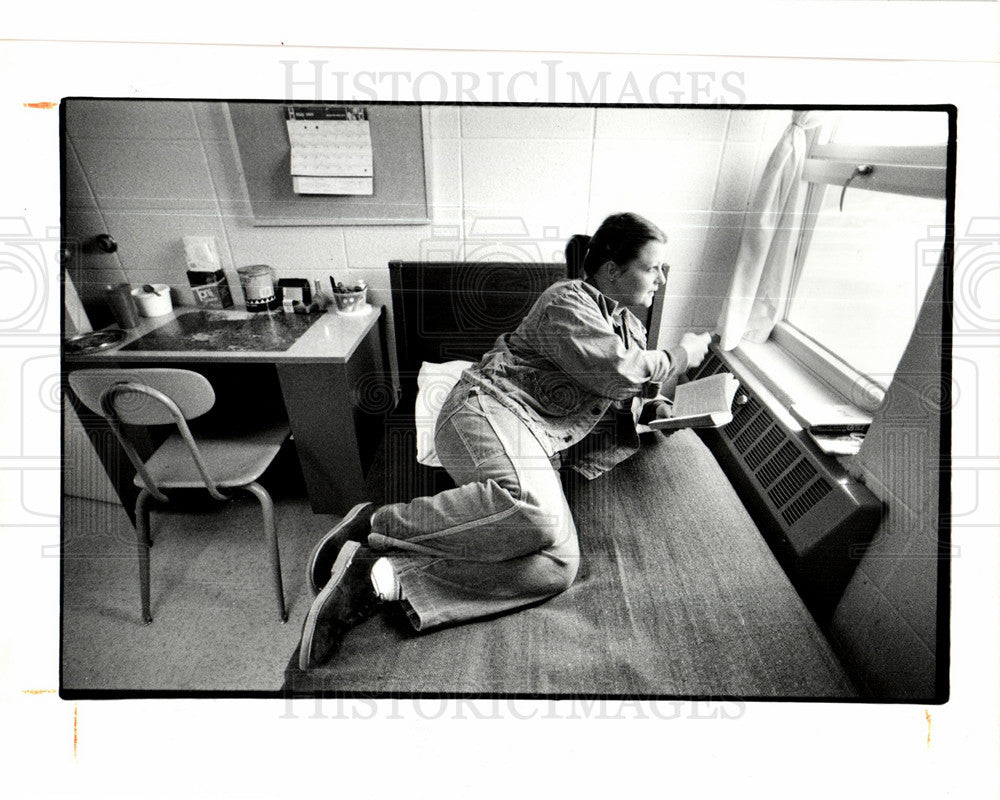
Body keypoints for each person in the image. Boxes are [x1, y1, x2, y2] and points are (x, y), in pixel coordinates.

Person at [297, 212, 711, 669]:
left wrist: (660, 413)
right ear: (612, 269)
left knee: (558, 567)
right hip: (487, 409)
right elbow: (617, 372)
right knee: (531, 509)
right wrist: (681, 356)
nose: (660, 278)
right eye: (652, 268)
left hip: (534, 441)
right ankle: (375, 524)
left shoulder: (630, 330)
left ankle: (379, 577)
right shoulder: (568, 299)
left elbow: (620, 398)